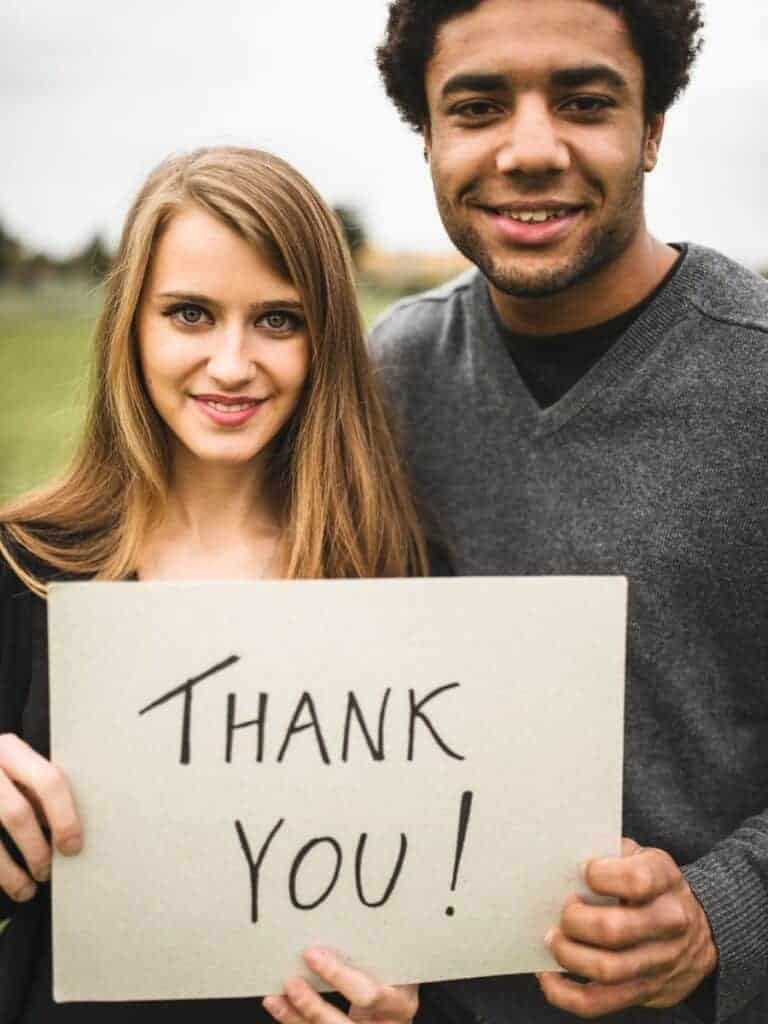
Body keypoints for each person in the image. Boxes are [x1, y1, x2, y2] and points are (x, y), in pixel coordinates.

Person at [372, 1, 768, 1022]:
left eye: (585, 102)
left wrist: (724, 912)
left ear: (652, 131)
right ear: (428, 134)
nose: (531, 149)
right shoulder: (383, 380)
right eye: (477, 106)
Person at [0, 146, 432, 1023]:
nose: (231, 364)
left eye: (278, 320)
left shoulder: (399, 578)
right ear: (132, 325)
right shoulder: (24, 565)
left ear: (327, 342)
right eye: (190, 314)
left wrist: (414, 1005)